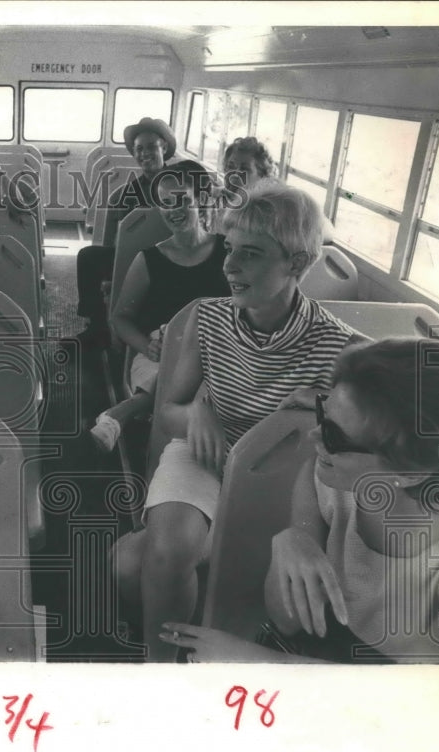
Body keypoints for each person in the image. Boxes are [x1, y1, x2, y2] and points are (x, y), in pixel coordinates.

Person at [112, 181, 361, 661]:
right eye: (229, 249)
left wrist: (314, 412)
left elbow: (353, 441)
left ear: (297, 264)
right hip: (206, 452)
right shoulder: (208, 319)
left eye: (250, 254)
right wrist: (197, 413)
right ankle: (159, 670)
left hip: (289, 476)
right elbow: (169, 409)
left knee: (128, 565)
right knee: (165, 553)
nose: (228, 265)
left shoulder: (343, 349)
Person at [161, 338, 439, 664]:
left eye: (335, 435)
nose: (314, 437)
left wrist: (259, 662)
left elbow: (424, 699)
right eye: (322, 414)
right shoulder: (333, 481)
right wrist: (292, 538)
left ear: (413, 473)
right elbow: (287, 620)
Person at [90, 160, 230, 452]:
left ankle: (124, 413)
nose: (173, 210)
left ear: (201, 200)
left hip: (217, 352)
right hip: (159, 354)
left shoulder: (229, 253)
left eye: (182, 200)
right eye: (165, 203)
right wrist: (146, 346)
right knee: (179, 384)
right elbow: (121, 318)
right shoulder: (149, 260)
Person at [71, 117, 178, 348]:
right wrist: (110, 277)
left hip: (175, 258)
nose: (144, 154)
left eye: (151, 147)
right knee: (88, 257)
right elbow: (111, 242)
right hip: (132, 261)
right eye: (139, 149)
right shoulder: (123, 194)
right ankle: (97, 327)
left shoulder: (183, 184)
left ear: (165, 148)